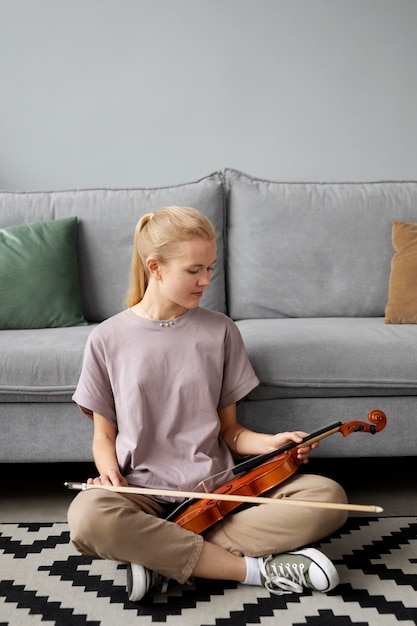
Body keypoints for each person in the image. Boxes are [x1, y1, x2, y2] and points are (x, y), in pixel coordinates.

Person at [67, 205, 348, 602]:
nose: (206, 280)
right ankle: (254, 570)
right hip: (142, 494)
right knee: (86, 517)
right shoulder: (106, 339)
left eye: (210, 268)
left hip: (218, 492)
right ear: (156, 267)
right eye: (194, 270)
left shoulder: (221, 331)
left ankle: (159, 555)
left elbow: (231, 431)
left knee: (328, 499)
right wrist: (110, 476)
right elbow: (103, 435)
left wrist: (270, 443)